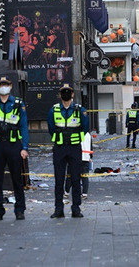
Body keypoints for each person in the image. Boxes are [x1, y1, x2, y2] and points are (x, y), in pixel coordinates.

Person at [0, 76, 29, 221]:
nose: (4, 87)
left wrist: (24, 147)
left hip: (14, 145)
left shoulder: (18, 104)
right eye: (1, 85)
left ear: (10, 87)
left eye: (6, 84)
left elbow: (24, 127)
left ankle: (19, 210)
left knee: (17, 180)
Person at [47, 83, 89, 218]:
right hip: (59, 148)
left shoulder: (79, 109)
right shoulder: (53, 110)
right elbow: (51, 127)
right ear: (60, 95)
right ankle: (58, 209)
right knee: (59, 180)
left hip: (74, 148)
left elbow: (85, 127)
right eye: (63, 92)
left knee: (76, 179)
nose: (66, 94)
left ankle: (76, 208)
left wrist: (75, 139)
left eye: (68, 92)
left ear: (72, 94)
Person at [64, 132, 93, 200]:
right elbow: (90, 147)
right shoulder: (88, 135)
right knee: (84, 177)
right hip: (85, 158)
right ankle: (84, 194)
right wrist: (90, 157)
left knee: (70, 176)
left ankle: (66, 192)